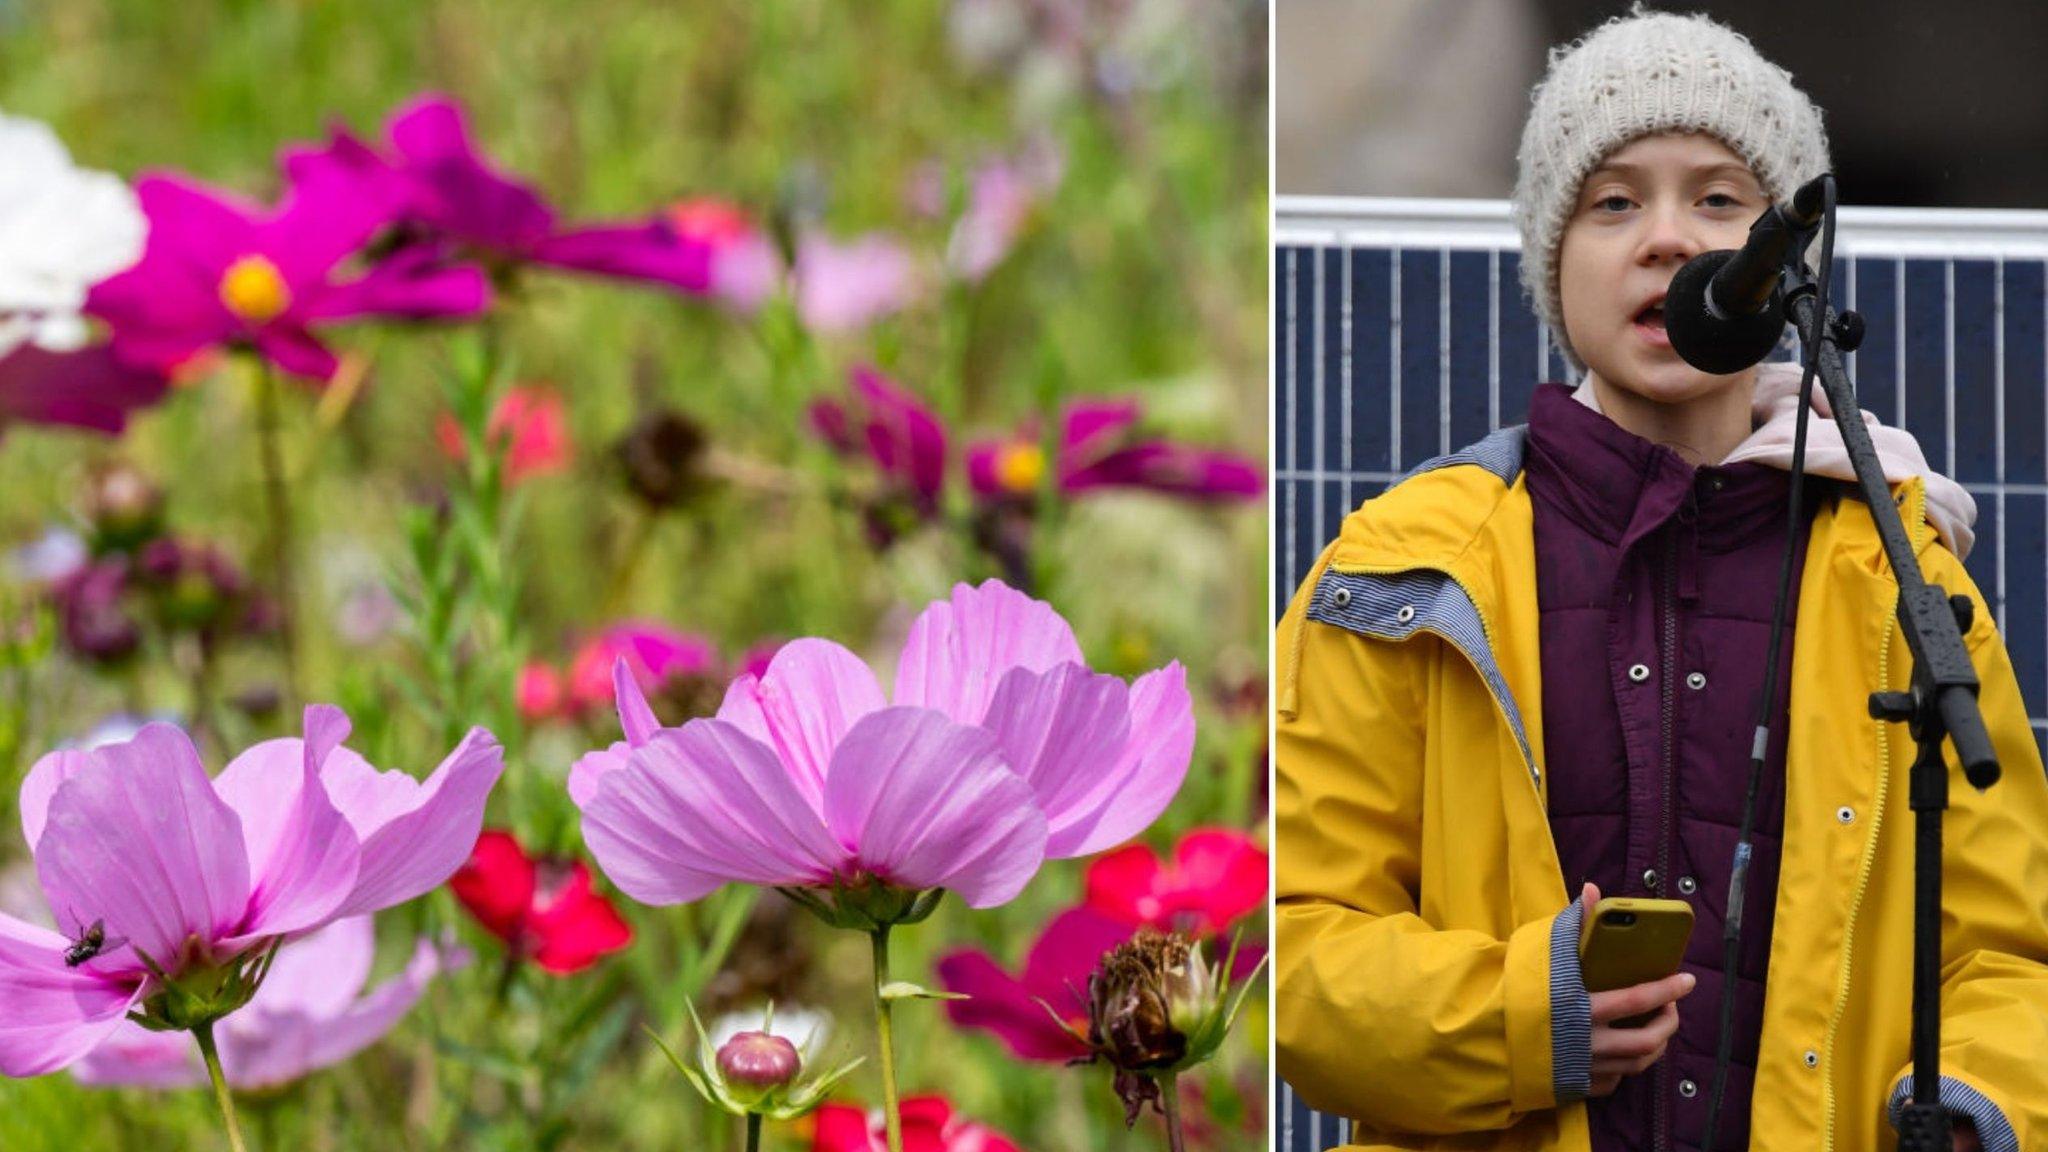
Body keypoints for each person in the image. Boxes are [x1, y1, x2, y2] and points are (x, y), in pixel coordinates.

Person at [1273, 8, 2048, 1152]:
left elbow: (2003, 953)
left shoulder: (1904, 582)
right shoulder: (1399, 577)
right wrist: (1520, 1017)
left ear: (1780, 268)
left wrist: (1977, 1105)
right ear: (1553, 256)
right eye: (1613, 201)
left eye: (1721, 202)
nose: (1668, 239)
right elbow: (1295, 953)